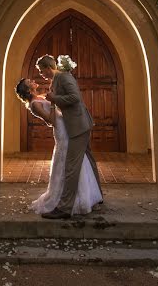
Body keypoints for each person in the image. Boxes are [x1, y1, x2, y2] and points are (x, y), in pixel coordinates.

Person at [15, 71, 102, 218]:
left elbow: (57, 102)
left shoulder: (39, 97)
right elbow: (51, 121)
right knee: (68, 162)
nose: (32, 80)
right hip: (61, 130)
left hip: (67, 126)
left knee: (78, 161)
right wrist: (54, 102)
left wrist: (55, 96)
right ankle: (69, 201)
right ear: (28, 90)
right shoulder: (34, 104)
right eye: (29, 82)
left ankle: (86, 197)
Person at [36, 54, 103, 219]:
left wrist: (54, 98)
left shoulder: (64, 77)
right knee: (90, 160)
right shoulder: (57, 79)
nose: (41, 74)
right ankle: (98, 197)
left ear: (47, 67)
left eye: (41, 70)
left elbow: (75, 98)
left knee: (71, 167)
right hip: (79, 125)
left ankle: (65, 208)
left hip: (78, 127)